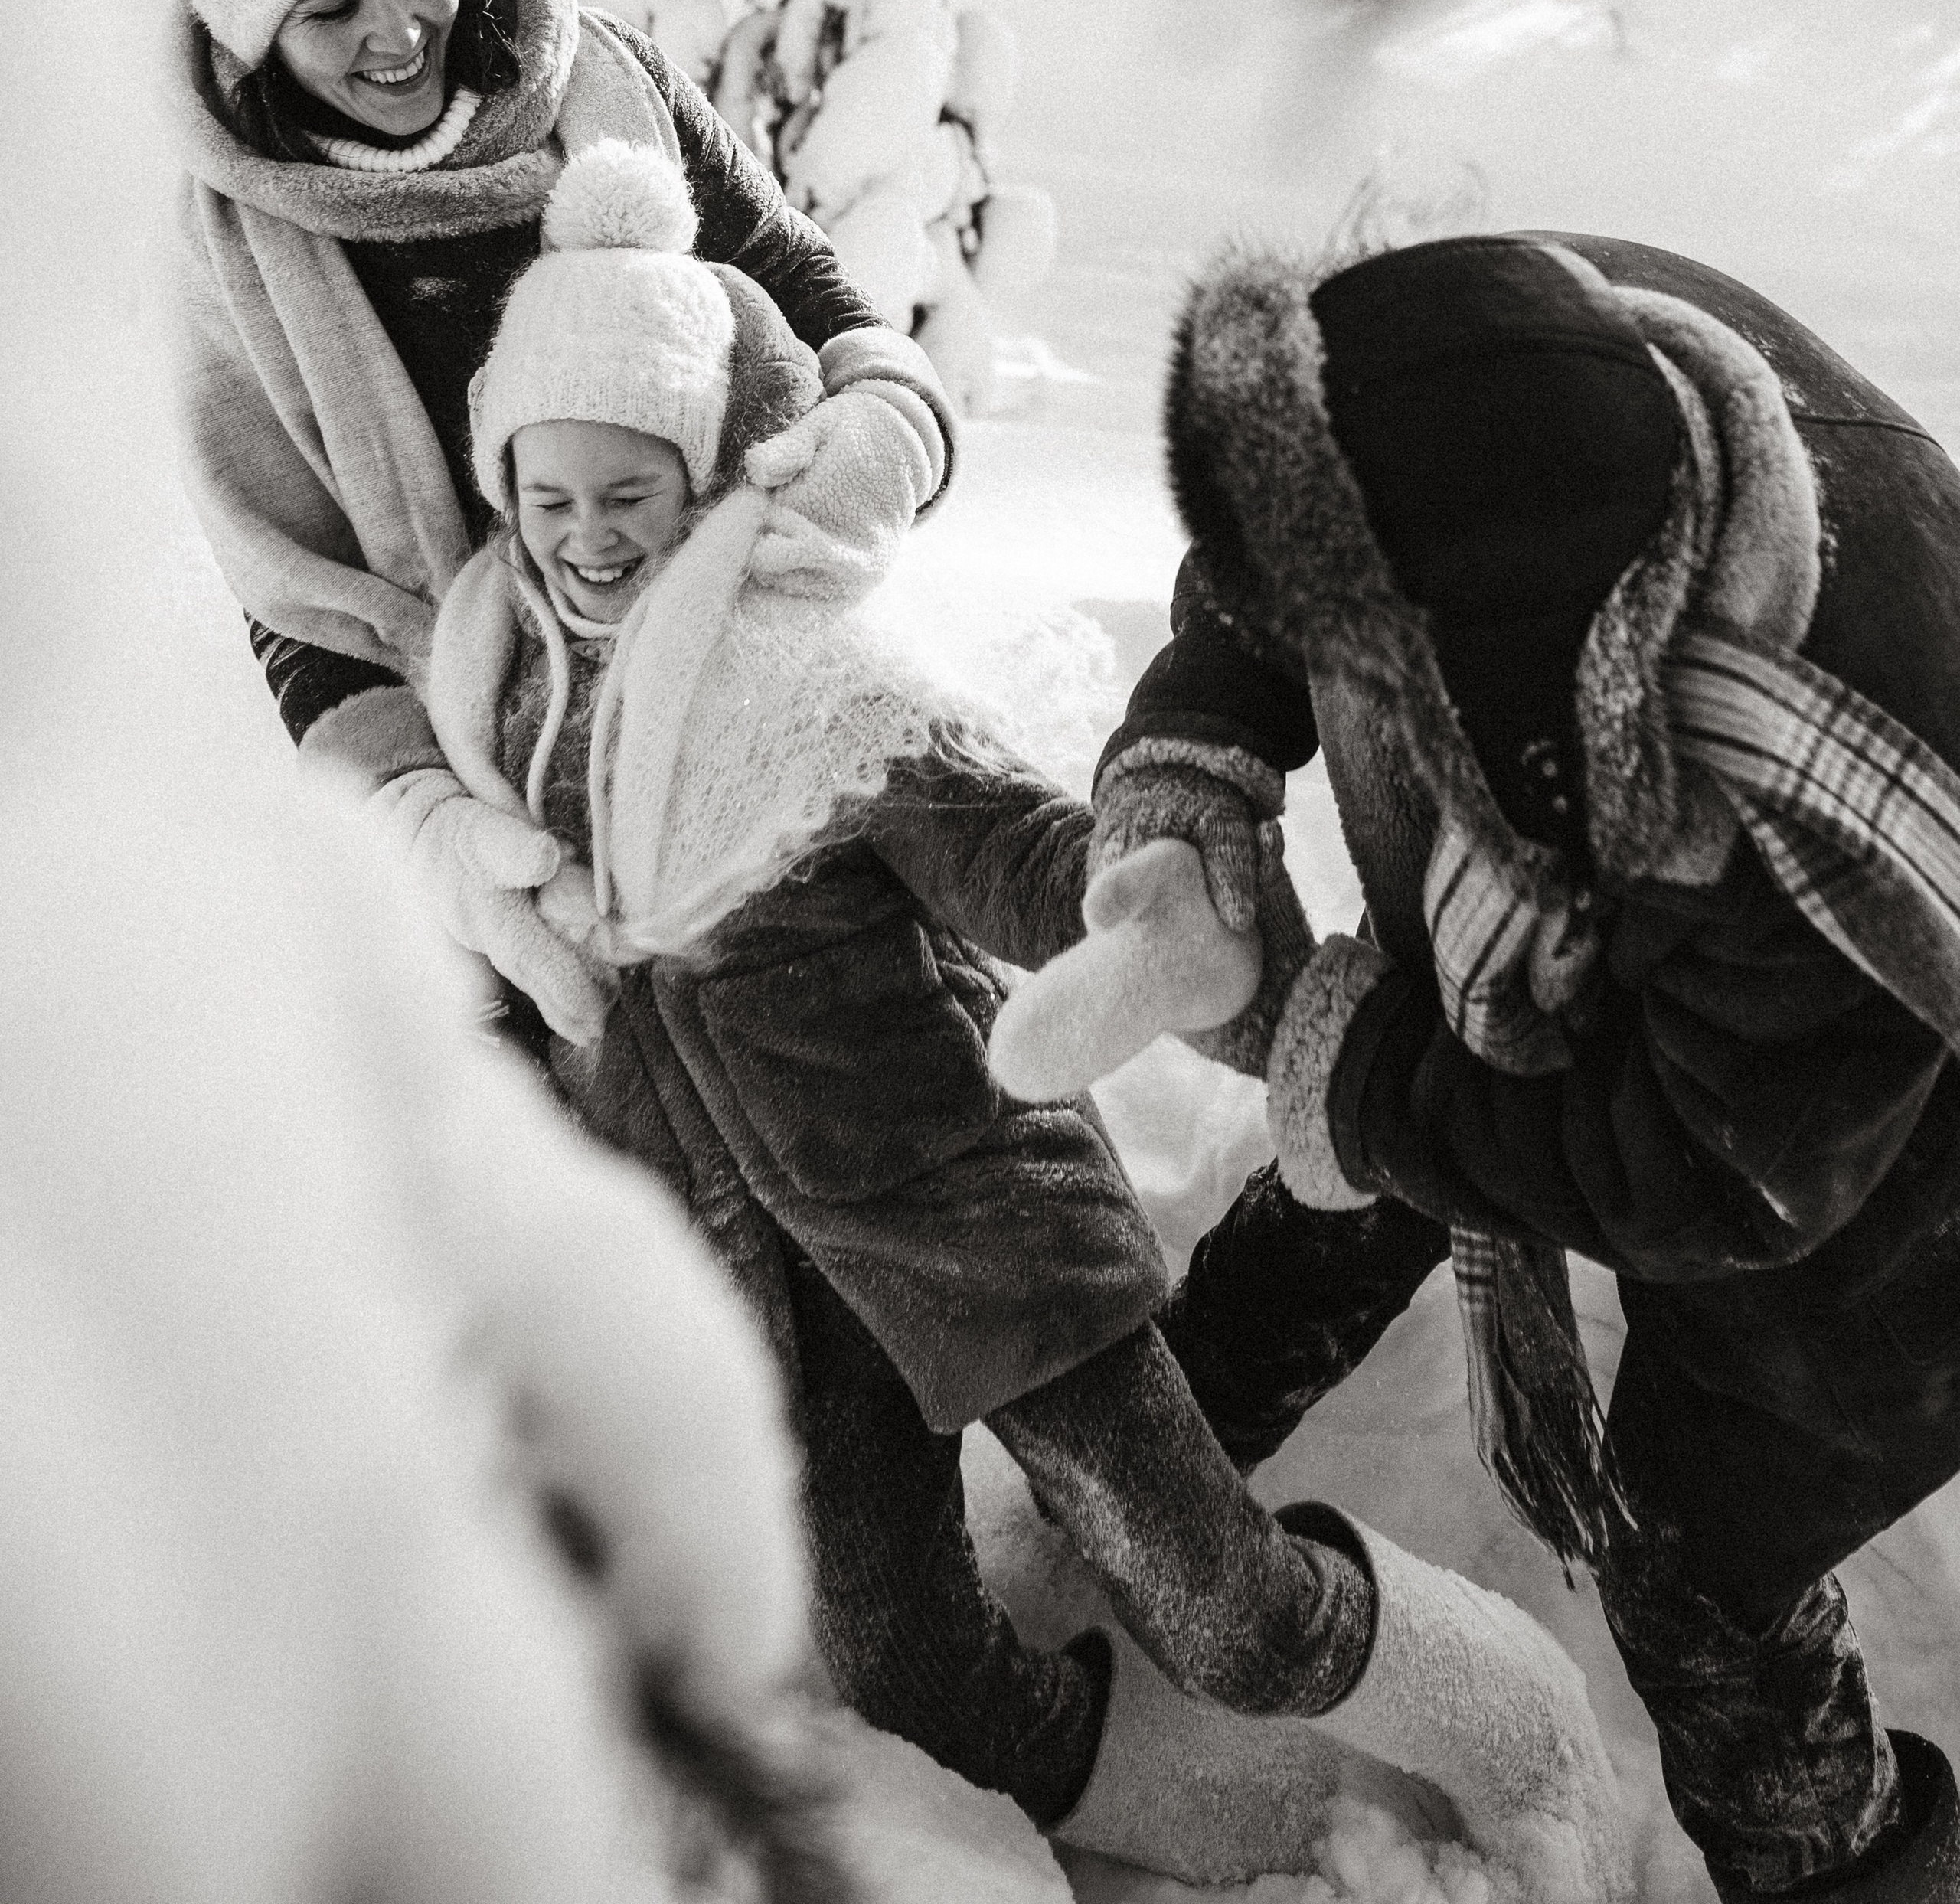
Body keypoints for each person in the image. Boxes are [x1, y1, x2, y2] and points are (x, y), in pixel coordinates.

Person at [415, 139, 1634, 1896]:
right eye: (552, 499)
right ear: (504, 493)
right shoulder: (502, 711)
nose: (589, 539)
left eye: (630, 491)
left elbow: (1016, 850)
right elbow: (523, 999)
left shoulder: (811, 685)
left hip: (976, 1235)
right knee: (903, 1668)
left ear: (699, 480)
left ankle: (1501, 1712)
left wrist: (1141, 909)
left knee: (1222, 1609)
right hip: (779, 1295)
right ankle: (1226, 1817)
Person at [1003, 229, 1960, 1904]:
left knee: (1698, 1533)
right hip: (1580, 946)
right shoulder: (1504, 381)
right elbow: (1262, 569)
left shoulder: (1819, 805)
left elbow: (1701, 1175)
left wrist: (1352, 1068)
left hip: (1874, 1179)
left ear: (1502, 693)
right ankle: (1162, 1454)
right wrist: (1189, 768)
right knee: (1396, 1104)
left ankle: (1835, 1852)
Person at [162, 0, 952, 1052]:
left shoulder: (603, 82)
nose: (397, 32)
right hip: (491, 752)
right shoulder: (231, 257)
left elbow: (798, 281)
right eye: (330, 8)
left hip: (732, 652)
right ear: (260, 44)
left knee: (870, 1046)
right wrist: (424, 821)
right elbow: (292, 591)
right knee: (599, 1139)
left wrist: (887, 422)